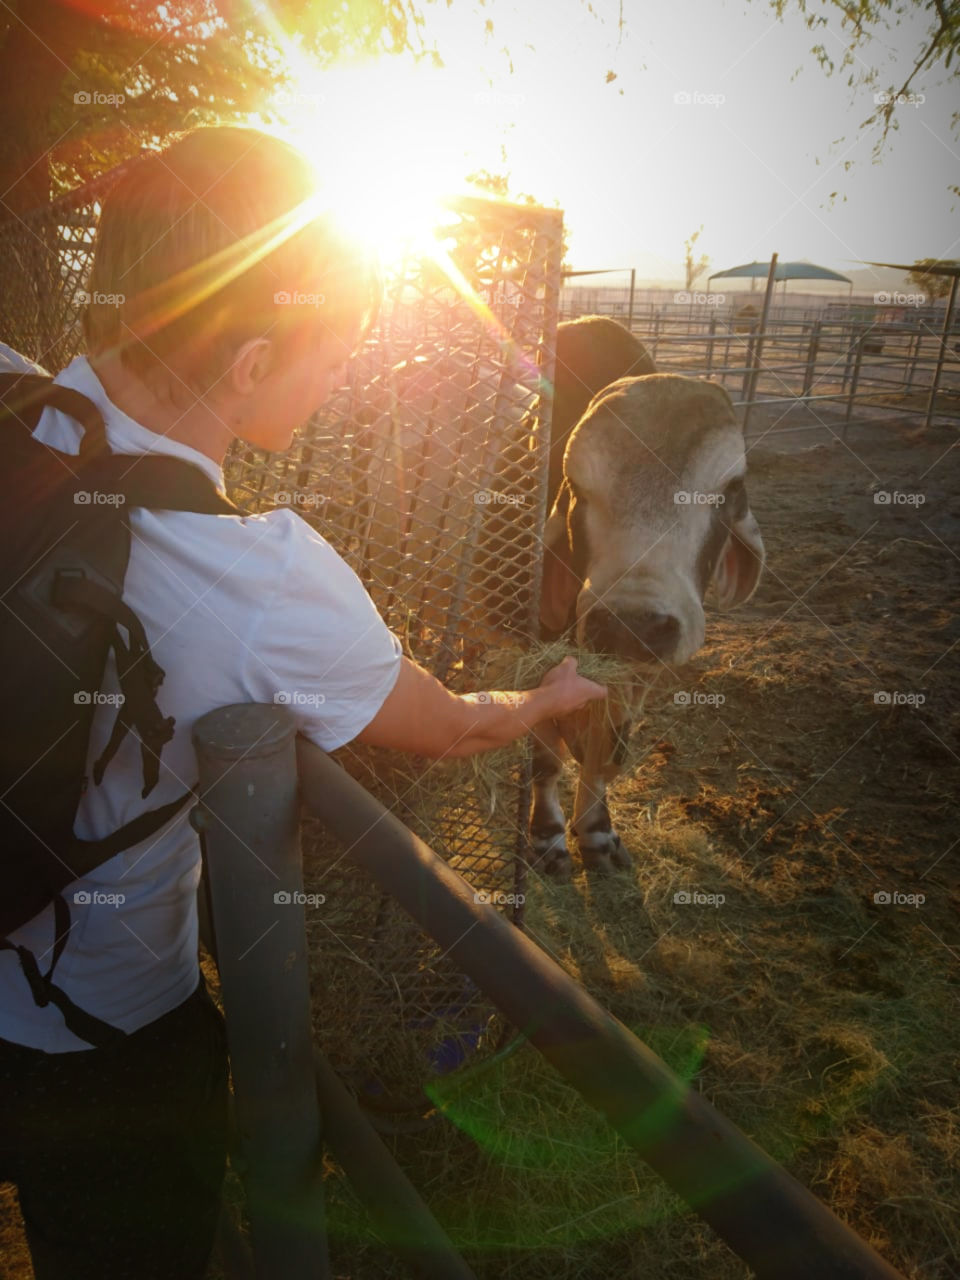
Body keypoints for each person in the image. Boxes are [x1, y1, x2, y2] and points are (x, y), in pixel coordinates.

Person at [0, 126, 605, 1279]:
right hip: (109, 1036)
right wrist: (542, 697)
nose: (342, 379)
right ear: (249, 362)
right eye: (333, 352)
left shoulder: (8, 394)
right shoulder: (263, 574)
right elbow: (447, 722)